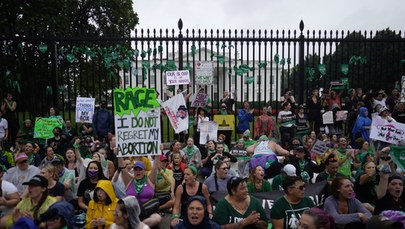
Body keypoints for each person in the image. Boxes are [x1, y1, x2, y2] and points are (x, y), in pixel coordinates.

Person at [120, 159, 162, 227]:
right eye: (136, 169)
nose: (138, 171)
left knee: (157, 218)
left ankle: (137, 226)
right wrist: (119, 155)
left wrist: (158, 154)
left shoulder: (150, 180)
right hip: (132, 212)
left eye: (140, 169)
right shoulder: (129, 180)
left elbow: (154, 167)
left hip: (148, 211)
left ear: (144, 171)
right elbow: (123, 169)